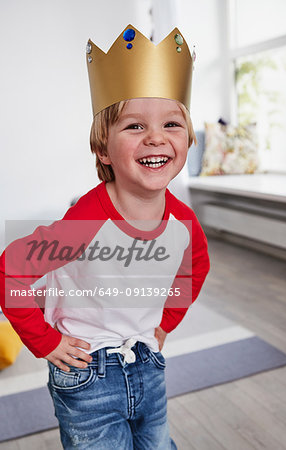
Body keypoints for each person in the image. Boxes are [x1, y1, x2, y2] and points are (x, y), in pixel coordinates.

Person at [0, 25, 210, 449]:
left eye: (172, 123)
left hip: (147, 361)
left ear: (186, 140)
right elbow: (11, 273)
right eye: (134, 127)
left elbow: (195, 268)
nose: (155, 136)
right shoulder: (83, 224)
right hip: (86, 372)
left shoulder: (184, 222)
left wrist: (166, 322)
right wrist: (45, 341)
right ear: (103, 148)